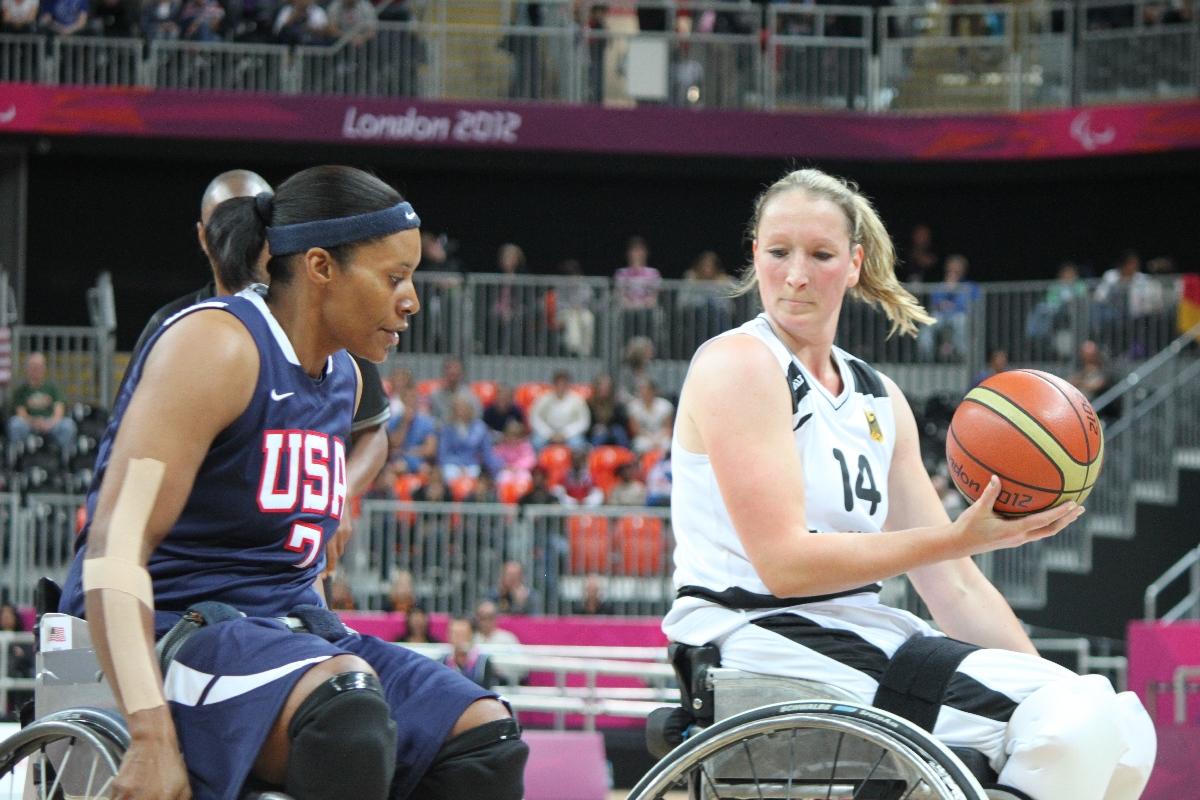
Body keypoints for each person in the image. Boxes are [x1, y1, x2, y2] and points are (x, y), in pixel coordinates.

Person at [662, 167, 1153, 800]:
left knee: (1122, 726)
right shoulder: (740, 363)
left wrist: (1042, 680)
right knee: (1072, 723)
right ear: (754, 253)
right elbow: (784, 565)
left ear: (855, 263)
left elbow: (953, 583)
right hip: (756, 634)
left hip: (858, 629)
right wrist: (955, 538)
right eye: (779, 252)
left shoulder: (877, 395)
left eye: (821, 254)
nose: (796, 275)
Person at [57, 166, 526, 800]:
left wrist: (339, 499)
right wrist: (149, 734)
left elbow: (370, 443)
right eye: (394, 278)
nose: (411, 299)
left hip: (286, 625)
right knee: (347, 709)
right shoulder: (215, 345)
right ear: (319, 267)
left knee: (483, 737)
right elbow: (115, 547)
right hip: (170, 628)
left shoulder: (345, 377)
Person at [129, 169, 392, 580]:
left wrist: (334, 499)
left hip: (285, 567)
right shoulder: (176, 329)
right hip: (197, 563)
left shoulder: (328, 328)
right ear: (203, 236)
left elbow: (373, 435)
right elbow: (130, 467)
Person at [7, 352, 77, 456]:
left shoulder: (53, 388)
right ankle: (14, 460)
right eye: (33, 366)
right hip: (29, 424)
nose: (36, 369)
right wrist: (34, 422)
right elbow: (21, 414)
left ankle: (65, 462)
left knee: (68, 425)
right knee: (15, 424)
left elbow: (59, 412)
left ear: (44, 368)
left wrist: (49, 423)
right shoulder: (21, 391)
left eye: (39, 366)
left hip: (51, 424)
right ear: (27, 369)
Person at [443, 616, 496, 689]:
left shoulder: (483, 663)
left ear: (472, 635)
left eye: (462, 634)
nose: (458, 639)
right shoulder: (442, 662)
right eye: (454, 633)